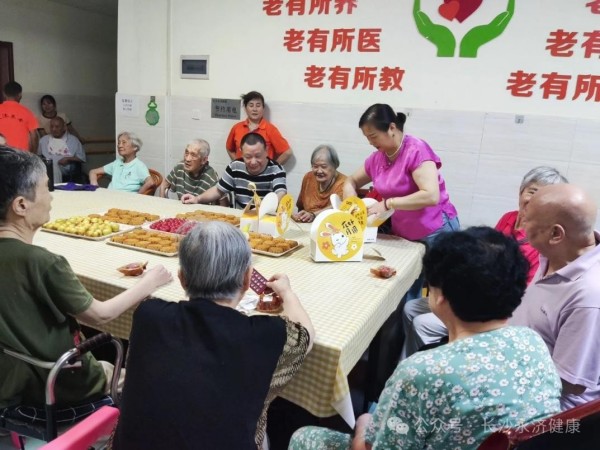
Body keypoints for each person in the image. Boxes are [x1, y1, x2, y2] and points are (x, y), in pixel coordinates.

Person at [289, 227, 561, 450]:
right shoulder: (532, 343)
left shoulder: (422, 373)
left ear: (439, 296)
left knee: (305, 437)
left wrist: (363, 425)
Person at [110, 221, 314, 449]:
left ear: (181, 278)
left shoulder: (148, 315)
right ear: (247, 279)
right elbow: (305, 334)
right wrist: (286, 292)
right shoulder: (265, 334)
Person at [0, 146, 172, 410]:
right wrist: (148, 282)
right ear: (21, 205)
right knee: (147, 378)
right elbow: (100, 315)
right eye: (47, 189)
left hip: (10, 379)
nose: (51, 198)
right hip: (57, 382)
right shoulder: (43, 263)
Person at [401, 166, 568, 359]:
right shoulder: (509, 218)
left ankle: (438, 365)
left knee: (424, 324)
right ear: (521, 191)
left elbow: (520, 294)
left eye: (543, 196)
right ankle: (407, 362)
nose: (534, 200)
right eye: (532, 191)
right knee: (410, 308)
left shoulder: (540, 241)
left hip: (494, 306)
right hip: (475, 290)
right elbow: (482, 258)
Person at [344, 103, 459, 301]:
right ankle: (402, 331)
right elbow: (350, 180)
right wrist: (351, 203)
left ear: (391, 128)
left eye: (373, 136)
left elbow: (431, 195)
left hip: (436, 231)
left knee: (442, 295)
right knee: (405, 292)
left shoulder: (416, 150)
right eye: (367, 138)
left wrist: (389, 204)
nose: (370, 143)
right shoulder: (377, 158)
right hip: (405, 235)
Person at [510, 183, 600, 410]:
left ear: (555, 234)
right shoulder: (556, 255)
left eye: (527, 221)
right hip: (516, 366)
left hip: (549, 407)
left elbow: (570, 381)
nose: (521, 226)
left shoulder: (588, 295)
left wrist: (499, 364)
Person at [182, 132, 287, 209]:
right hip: (240, 218)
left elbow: (281, 194)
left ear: (266, 151)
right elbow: (218, 190)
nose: (253, 162)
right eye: (248, 157)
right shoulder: (235, 166)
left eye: (258, 156)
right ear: (241, 153)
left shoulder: (276, 169)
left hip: (267, 219)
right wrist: (197, 199)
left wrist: (261, 209)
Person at [226, 91, 293, 165]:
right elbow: (229, 149)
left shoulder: (270, 129)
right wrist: (237, 164)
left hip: (263, 175)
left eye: (258, 105)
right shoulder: (237, 128)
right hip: (241, 174)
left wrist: (272, 168)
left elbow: (287, 152)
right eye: (251, 105)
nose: (254, 109)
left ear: (263, 108)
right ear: (245, 108)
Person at [293, 144, 347, 223]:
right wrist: (301, 216)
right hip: (306, 225)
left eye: (323, 166)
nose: (319, 171)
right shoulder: (308, 178)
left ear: (335, 166)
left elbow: (338, 207)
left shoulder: (344, 183)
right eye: (315, 166)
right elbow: (300, 206)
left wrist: (313, 215)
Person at [89, 131, 154, 193]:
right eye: (119, 143)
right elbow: (93, 172)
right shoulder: (117, 163)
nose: (120, 146)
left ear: (135, 147)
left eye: (124, 142)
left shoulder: (139, 165)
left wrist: (138, 196)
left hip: (124, 199)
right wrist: (94, 186)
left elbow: (150, 182)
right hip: (109, 196)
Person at [38, 116, 86, 183]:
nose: (54, 129)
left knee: (53, 164)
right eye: (51, 126)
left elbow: (82, 158)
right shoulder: (43, 140)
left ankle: (55, 188)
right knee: (51, 163)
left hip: (66, 167)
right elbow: (39, 156)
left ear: (64, 127)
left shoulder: (73, 140)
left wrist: (68, 159)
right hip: (48, 166)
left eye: (57, 127)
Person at [0, 81, 39, 152]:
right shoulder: (27, 112)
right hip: (20, 156)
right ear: (20, 94)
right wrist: (33, 154)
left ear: (4, 94)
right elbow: (34, 136)